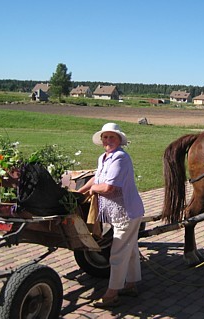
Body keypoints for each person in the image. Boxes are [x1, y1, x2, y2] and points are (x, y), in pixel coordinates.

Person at [77, 122, 144, 308]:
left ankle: (111, 294)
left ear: (119, 140)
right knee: (130, 250)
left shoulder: (120, 158)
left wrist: (93, 191)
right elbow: (96, 178)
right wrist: (80, 191)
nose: (108, 140)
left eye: (111, 137)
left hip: (126, 212)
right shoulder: (104, 157)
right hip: (120, 212)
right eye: (105, 137)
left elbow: (107, 187)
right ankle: (130, 285)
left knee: (117, 253)